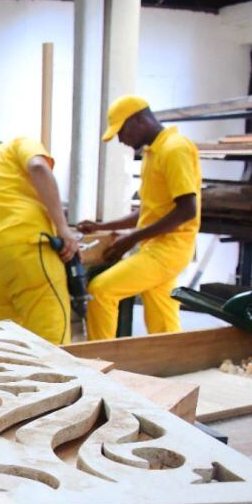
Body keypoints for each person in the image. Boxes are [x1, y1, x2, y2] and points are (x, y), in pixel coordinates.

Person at [78, 95, 200, 341]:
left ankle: (97, 357)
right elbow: (148, 210)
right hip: (157, 247)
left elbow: (187, 210)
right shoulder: (153, 153)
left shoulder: (174, 149)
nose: (121, 140)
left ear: (138, 120)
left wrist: (131, 238)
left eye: (121, 131)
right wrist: (103, 226)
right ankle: (172, 359)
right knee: (163, 325)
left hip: (168, 249)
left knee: (101, 290)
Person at [0, 137, 80, 344]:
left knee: (5, 352)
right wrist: (63, 228)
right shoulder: (13, 147)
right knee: (53, 348)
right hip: (26, 251)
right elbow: (38, 166)